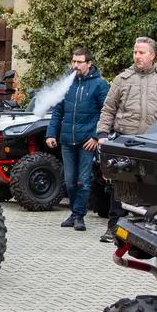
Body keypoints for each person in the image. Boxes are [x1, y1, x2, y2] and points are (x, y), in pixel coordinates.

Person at [96, 36, 157, 242]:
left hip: (154, 142)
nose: (137, 56)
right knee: (120, 184)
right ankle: (114, 226)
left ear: (152, 55)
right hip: (127, 139)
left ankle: (150, 229)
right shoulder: (122, 79)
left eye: (141, 52)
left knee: (152, 185)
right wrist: (102, 134)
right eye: (135, 52)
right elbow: (108, 109)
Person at [46, 48, 108, 231]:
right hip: (67, 140)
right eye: (73, 61)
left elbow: (107, 113)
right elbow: (58, 111)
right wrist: (51, 133)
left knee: (83, 180)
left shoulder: (100, 85)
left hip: (87, 141)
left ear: (89, 63)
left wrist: (96, 136)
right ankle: (74, 212)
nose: (75, 65)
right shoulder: (69, 84)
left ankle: (79, 215)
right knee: (70, 181)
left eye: (79, 62)